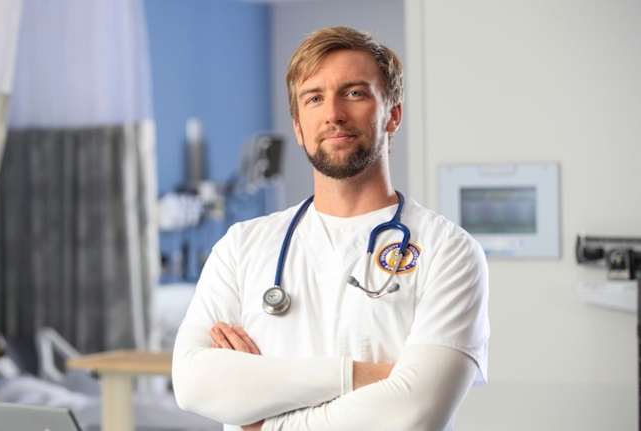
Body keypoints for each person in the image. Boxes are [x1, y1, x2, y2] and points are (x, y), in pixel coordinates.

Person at [171, 26, 490, 431]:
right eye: (314, 98)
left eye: (354, 93)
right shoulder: (241, 247)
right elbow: (193, 384)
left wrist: (266, 424)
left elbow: (415, 414)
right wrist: (358, 375)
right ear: (299, 128)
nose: (333, 113)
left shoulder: (449, 251)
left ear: (392, 115)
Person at [0, 306, 221, 431]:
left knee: (152, 406)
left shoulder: (7, 373)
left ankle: (223, 418)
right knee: (148, 411)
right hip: (76, 418)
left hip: (81, 406)